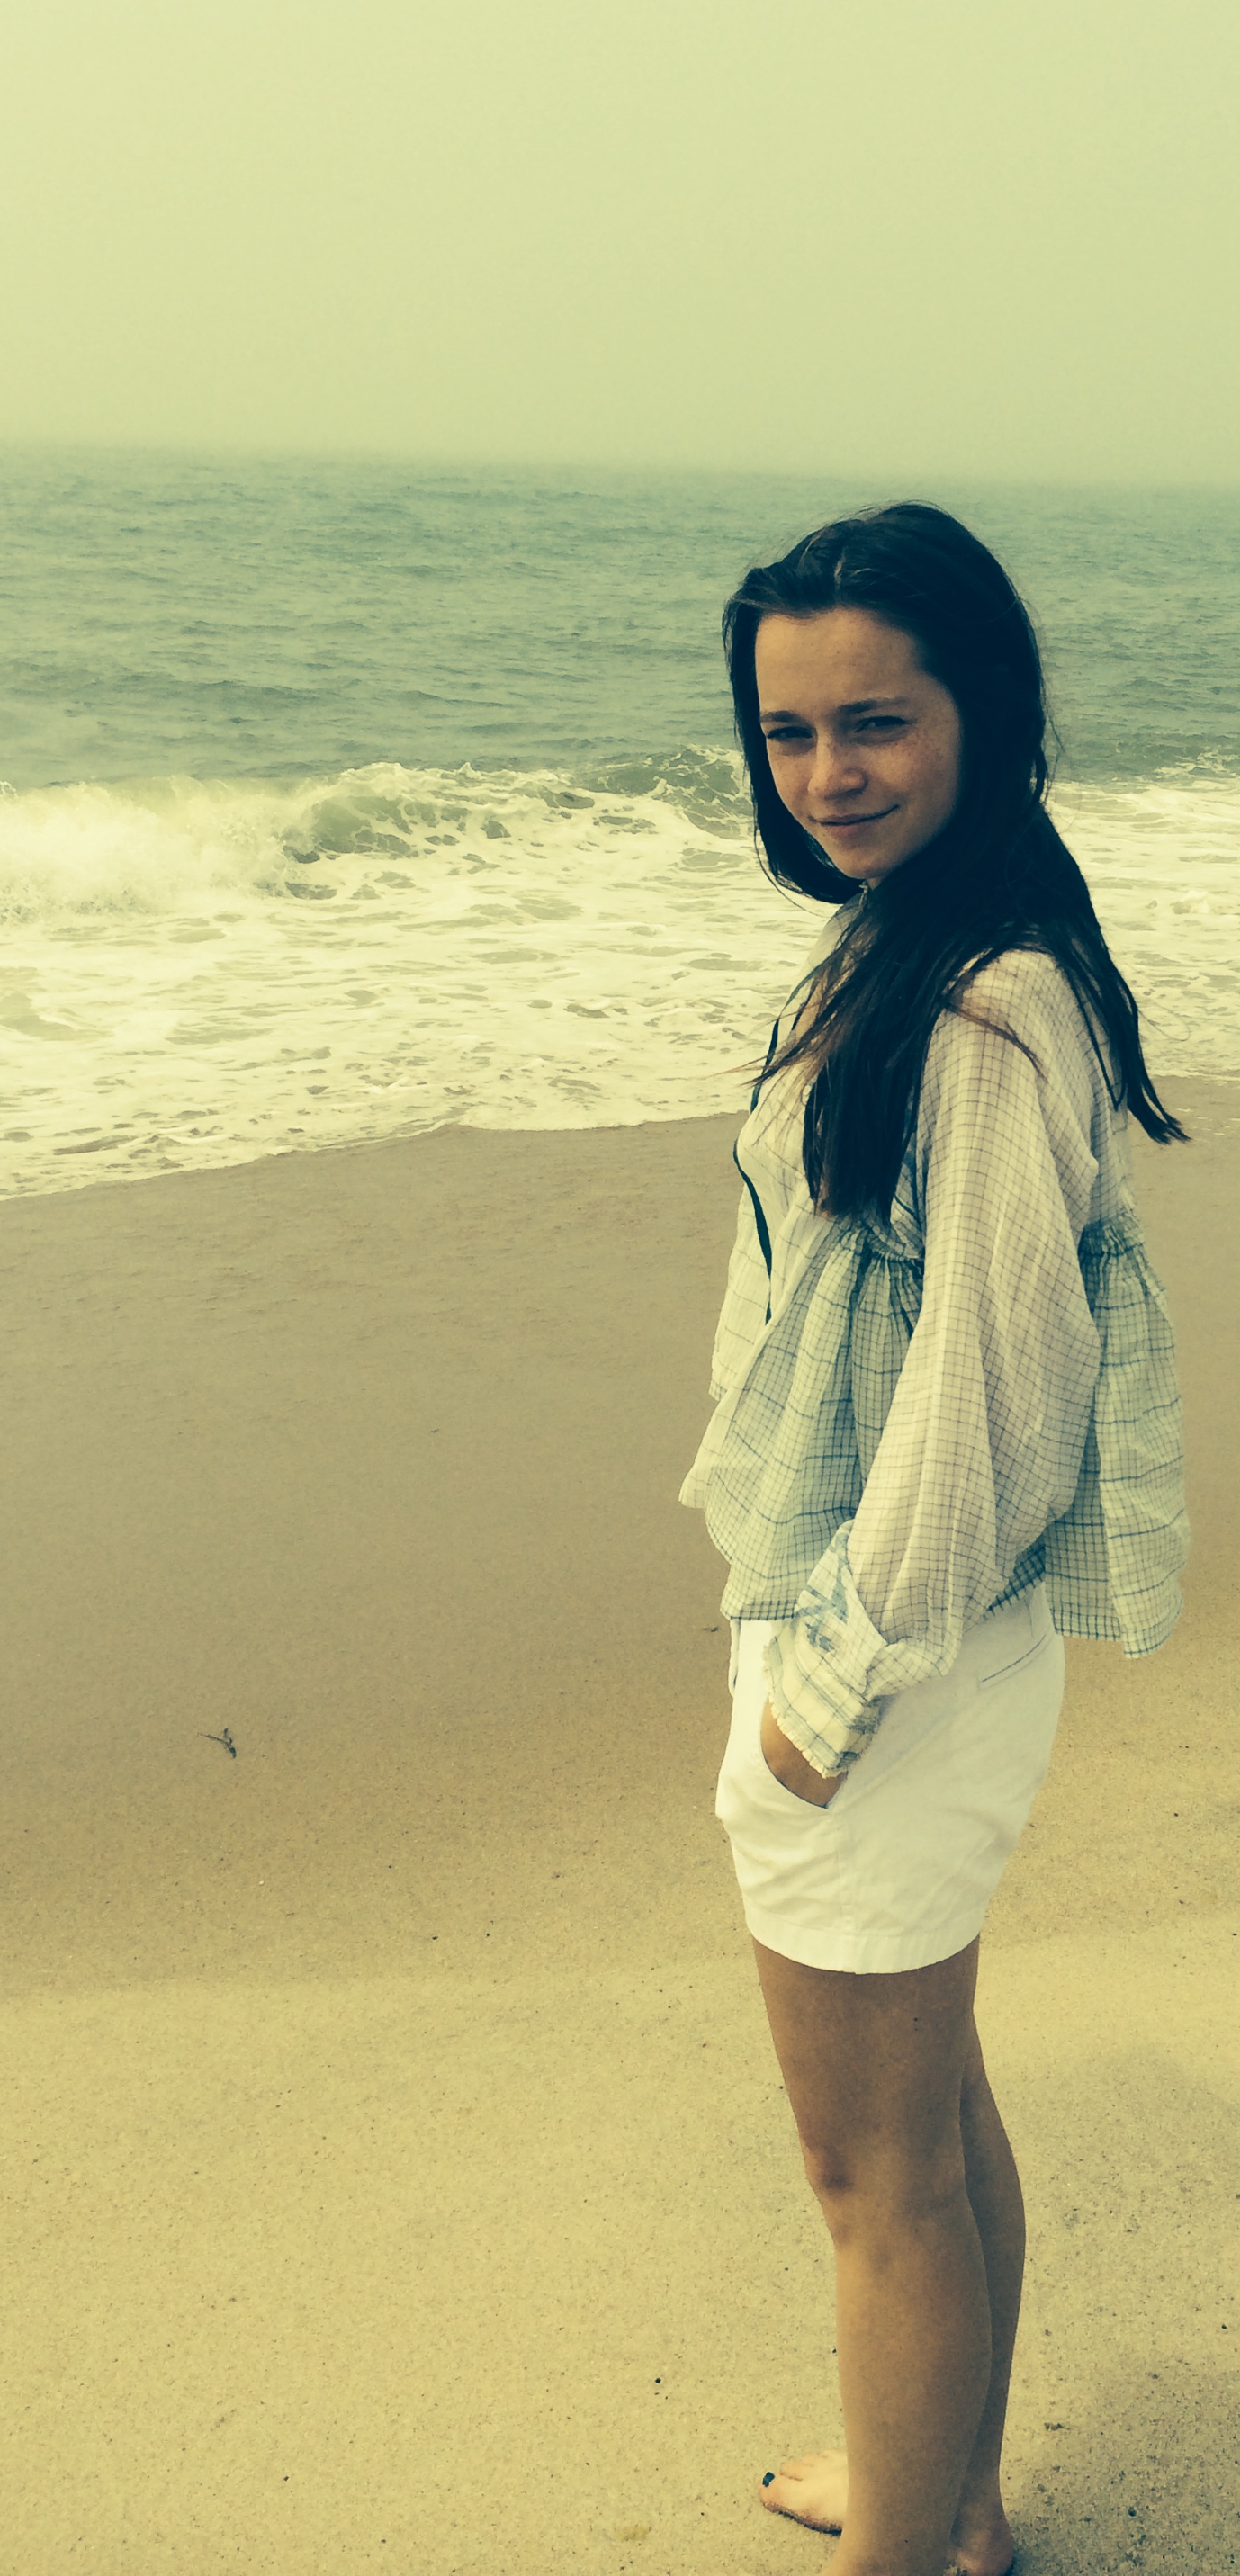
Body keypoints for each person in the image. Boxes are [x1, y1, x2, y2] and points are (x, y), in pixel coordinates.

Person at [680, 503, 1188, 2576]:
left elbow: (991, 1401)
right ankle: (949, 2494)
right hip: (907, 1650)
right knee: (935, 2118)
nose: (830, 772)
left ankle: (915, 2540)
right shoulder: (919, 936)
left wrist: (820, 1696)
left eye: (875, 720)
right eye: (789, 730)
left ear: (982, 705)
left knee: (873, 2180)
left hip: (888, 1660)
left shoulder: (980, 1010)